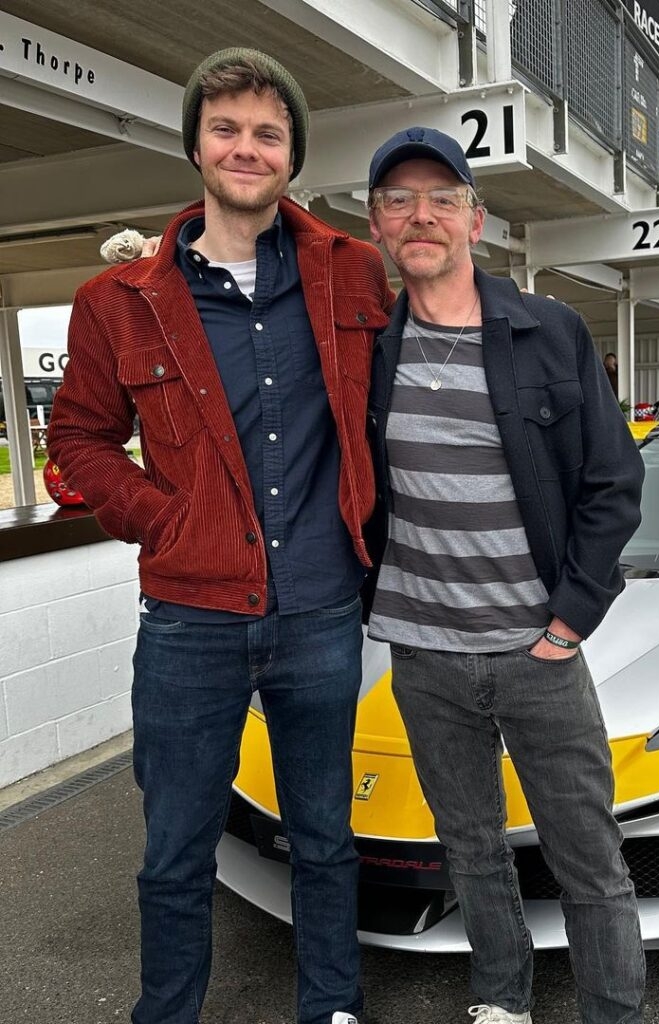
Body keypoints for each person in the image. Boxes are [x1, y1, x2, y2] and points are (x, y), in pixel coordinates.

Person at [47, 49, 393, 1024]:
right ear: (196, 143)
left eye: (268, 132)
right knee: (176, 850)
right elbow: (77, 436)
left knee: (325, 835)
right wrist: (163, 518)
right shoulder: (117, 302)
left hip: (323, 610)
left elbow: (395, 412)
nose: (247, 147)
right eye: (228, 128)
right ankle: (169, 1011)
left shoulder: (352, 274)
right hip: (190, 617)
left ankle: (331, 1003)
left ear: (293, 154)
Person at [362, 127, 647, 1024]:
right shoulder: (366, 347)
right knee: (471, 846)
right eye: (400, 200)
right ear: (376, 222)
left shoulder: (548, 331)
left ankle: (613, 1011)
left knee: (586, 855)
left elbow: (614, 482)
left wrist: (568, 621)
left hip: (540, 656)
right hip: (426, 659)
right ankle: (501, 1001)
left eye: (442, 199)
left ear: (475, 221)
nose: (423, 216)